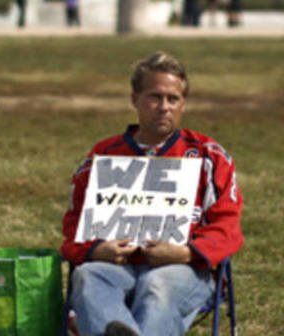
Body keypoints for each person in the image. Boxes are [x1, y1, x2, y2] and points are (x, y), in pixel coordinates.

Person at [61, 52, 243, 336]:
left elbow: (227, 228)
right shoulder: (103, 157)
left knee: (157, 286)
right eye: (155, 97)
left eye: (173, 99)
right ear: (135, 99)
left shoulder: (209, 157)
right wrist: (96, 250)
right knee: (87, 276)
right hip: (116, 265)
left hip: (183, 269)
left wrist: (185, 253)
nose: (164, 107)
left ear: (184, 104)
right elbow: (73, 227)